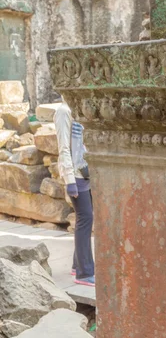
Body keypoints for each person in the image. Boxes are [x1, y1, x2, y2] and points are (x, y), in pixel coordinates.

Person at [54, 101, 95, 287]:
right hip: (75, 175)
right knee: (85, 219)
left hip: (85, 172)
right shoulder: (64, 111)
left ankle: (76, 264)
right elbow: (63, 148)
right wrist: (70, 181)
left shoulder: (79, 107)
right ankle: (84, 273)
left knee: (86, 219)